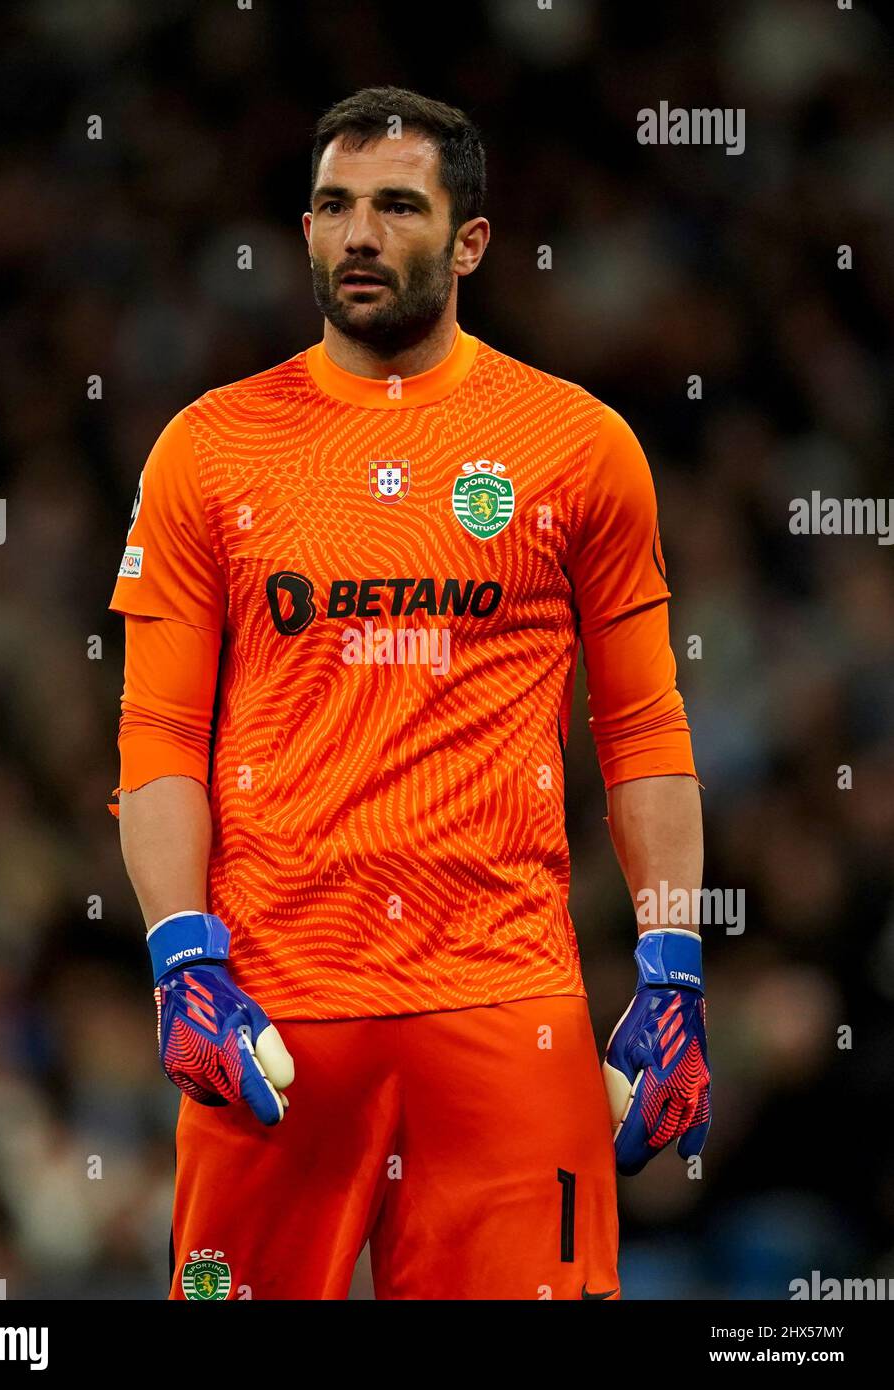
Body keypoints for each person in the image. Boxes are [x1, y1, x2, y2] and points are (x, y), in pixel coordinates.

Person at [109, 85, 709, 1301]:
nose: (360, 236)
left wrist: (674, 966)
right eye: (333, 207)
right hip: (273, 1015)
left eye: (395, 206)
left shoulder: (580, 445)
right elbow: (159, 732)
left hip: (507, 1009)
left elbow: (641, 725)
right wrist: (181, 958)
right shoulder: (206, 448)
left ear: (471, 241)